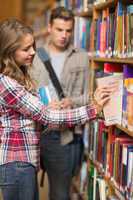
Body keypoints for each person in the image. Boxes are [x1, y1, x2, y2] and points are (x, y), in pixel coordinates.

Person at [0, 18, 110, 200]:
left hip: (22, 161)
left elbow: (25, 114)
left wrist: (42, 109)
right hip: (16, 163)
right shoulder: (7, 84)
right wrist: (93, 108)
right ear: (9, 51)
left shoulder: (16, 76)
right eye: (26, 49)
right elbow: (47, 118)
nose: (33, 52)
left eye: (33, 46)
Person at [30, 6, 105, 200]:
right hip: (34, 132)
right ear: (49, 27)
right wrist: (42, 105)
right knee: (27, 191)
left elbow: (89, 97)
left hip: (63, 135)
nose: (64, 35)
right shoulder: (35, 55)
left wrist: (71, 101)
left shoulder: (80, 57)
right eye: (59, 29)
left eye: (68, 30)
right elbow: (27, 92)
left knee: (60, 193)